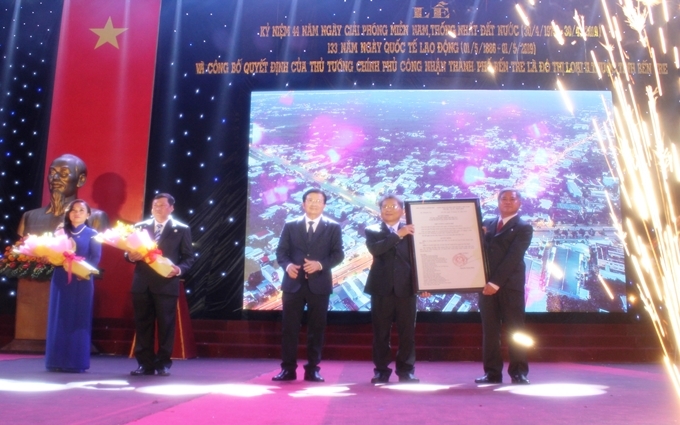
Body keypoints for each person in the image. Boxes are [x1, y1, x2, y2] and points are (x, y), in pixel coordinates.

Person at [272, 188, 344, 382]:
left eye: (318, 201)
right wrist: (287, 266)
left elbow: (338, 254)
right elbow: (281, 252)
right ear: (303, 204)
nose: (314, 204)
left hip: (319, 284)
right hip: (293, 284)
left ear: (324, 205)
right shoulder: (290, 225)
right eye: (310, 200)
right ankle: (288, 369)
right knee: (289, 329)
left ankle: (313, 369)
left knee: (316, 329)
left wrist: (319, 265)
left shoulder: (333, 227)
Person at [126, 193, 194, 376]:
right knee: (143, 325)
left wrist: (179, 269)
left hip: (166, 284)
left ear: (171, 208)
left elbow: (189, 257)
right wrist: (130, 256)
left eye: (162, 205)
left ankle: (163, 363)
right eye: (155, 205)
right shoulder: (140, 227)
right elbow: (128, 251)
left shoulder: (181, 229)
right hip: (142, 284)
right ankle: (144, 364)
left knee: (166, 326)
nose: (157, 208)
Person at [364, 194, 426, 384]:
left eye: (393, 206)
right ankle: (381, 371)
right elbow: (377, 250)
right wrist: (398, 234)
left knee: (407, 333)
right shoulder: (372, 230)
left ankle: (406, 371)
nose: (388, 209)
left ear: (402, 210)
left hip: (407, 288)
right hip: (381, 289)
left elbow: (422, 258)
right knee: (381, 333)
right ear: (380, 211)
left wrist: (424, 284)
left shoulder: (414, 230)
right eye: (385, 207)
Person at [475, 188, 533, 385]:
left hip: (509, 287)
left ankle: (519, 373)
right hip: (485, 287)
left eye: (512, 199)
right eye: (503, 198)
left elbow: (513, 257)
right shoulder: (487, 224)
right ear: (498, 202)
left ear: (519, 203)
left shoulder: (524, 227)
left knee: (516, 331)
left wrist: (495, 283)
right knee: (490, 332)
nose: (507, 201)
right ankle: (492, 373)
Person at [45, 199, 102, 372]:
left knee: (79, 319)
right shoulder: (60, 232)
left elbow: (95, 258)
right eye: (73, 210)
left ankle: (76, 362)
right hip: (61, 278)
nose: (77, 213)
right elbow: (52, 254)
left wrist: (82, 271)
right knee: (59, 317)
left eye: (81, 210)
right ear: (68, 213)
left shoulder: (93, 234)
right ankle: (55, 361)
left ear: (88, 214)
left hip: (82, 280)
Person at [18, 154, 109, 236]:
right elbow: (18, 248)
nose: (55, 178)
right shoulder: (29, 217)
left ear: (80, 180)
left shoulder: (96, 217)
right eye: (52, 173)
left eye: (64, 174)